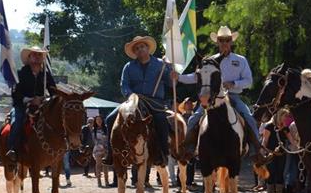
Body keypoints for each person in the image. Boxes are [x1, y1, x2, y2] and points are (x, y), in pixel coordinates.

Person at [172, 26, 264, 159]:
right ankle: (189, 149)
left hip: (233, 96)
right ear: (217, 42)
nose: (224, 43)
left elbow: (248, 81)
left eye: (227, 40)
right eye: (221, 40)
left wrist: (233, 83)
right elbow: (196, 77)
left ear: (231, 41)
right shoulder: (210, 60)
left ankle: (257, 150)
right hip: (213, 98)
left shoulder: (240, 60)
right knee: (193, 118)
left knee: (248, 117)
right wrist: (179, 77)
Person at [103, 36, 172, 166]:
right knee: (110, 119)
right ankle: (111, 153)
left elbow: (170, 82)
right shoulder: (128, 67)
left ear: (148, 48)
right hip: (134, 100)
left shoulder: (161, 64)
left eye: (142, 46)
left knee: (161, 120)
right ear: (134, 52)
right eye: (137, 48)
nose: (140, 49)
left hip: (154, 101)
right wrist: (130, 96)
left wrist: (171, 71)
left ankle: (163, 154)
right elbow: (124, 85)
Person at [5, 45, 56, 162]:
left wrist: (45, 99)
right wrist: (30, 99)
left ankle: (62, 148)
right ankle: (12, 149)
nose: (37, 57)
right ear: (29, 57)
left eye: (40, 55)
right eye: (34, 54)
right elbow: (15, 94)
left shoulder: (46, 75)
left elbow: (54, 92)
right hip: (22, 106)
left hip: (42, 106)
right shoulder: (20, 73)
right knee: (17, 121)